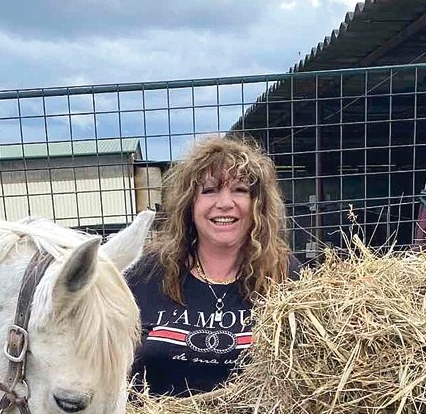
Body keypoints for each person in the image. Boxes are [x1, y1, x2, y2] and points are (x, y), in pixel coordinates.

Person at [124, 136, 300, 397]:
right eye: (209, 190)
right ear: (190, 204)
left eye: (240, 190)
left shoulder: (286, 274)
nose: (225, 203)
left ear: (257, 205)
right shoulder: (145, 273)